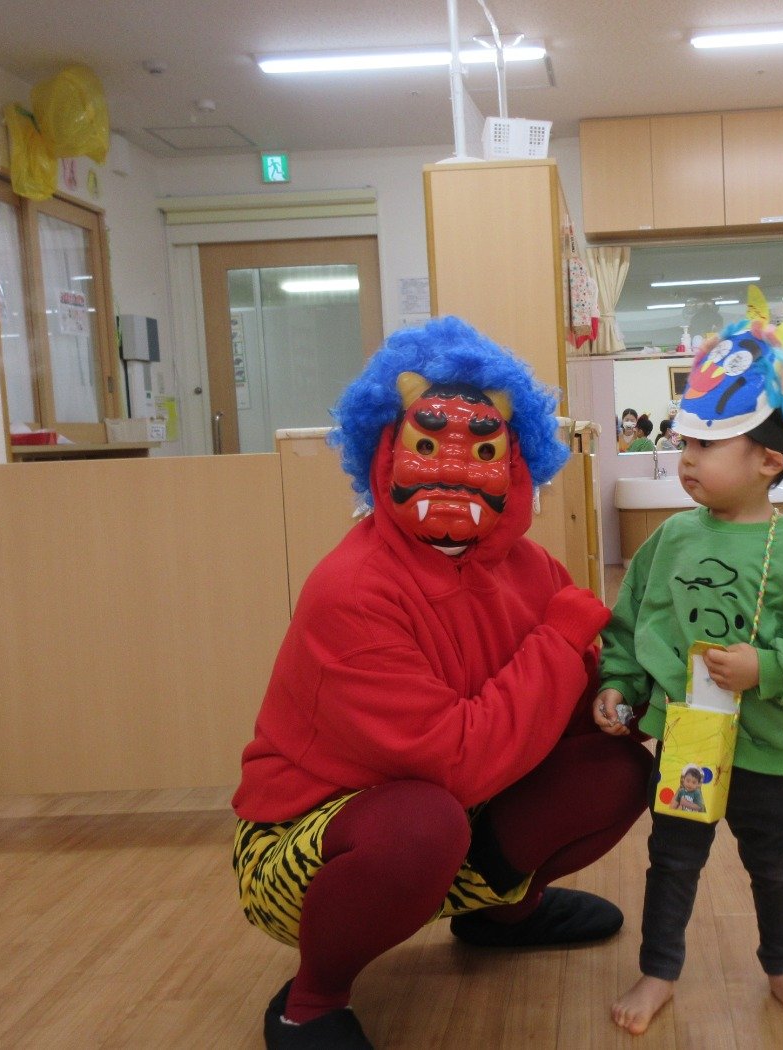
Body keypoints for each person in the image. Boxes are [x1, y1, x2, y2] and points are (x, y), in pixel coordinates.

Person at [233, 317, 652, 1050]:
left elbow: (575, 709)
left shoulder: (531, 569)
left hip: (462, 806)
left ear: (517, 462)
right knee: (421, 824)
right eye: (426, 446)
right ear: (384, 450)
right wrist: (561, 638)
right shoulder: (352, 591)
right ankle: (313, 998)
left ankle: (502, 914)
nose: (453, 471)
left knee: (615, 771)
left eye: (484, 449)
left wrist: (648, 696)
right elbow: (454, 761)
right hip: (316, 836)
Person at [593, 292, 783, 1036]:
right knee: (672, 860)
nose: (686, 460)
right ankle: (658, 971)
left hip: (767, 748)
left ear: (768, 461)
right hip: (686, 740)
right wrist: (618, 683)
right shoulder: (670, 539)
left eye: (705, 447)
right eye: (685, 443)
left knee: (775, 863)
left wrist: (767, 667)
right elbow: (632, 622)